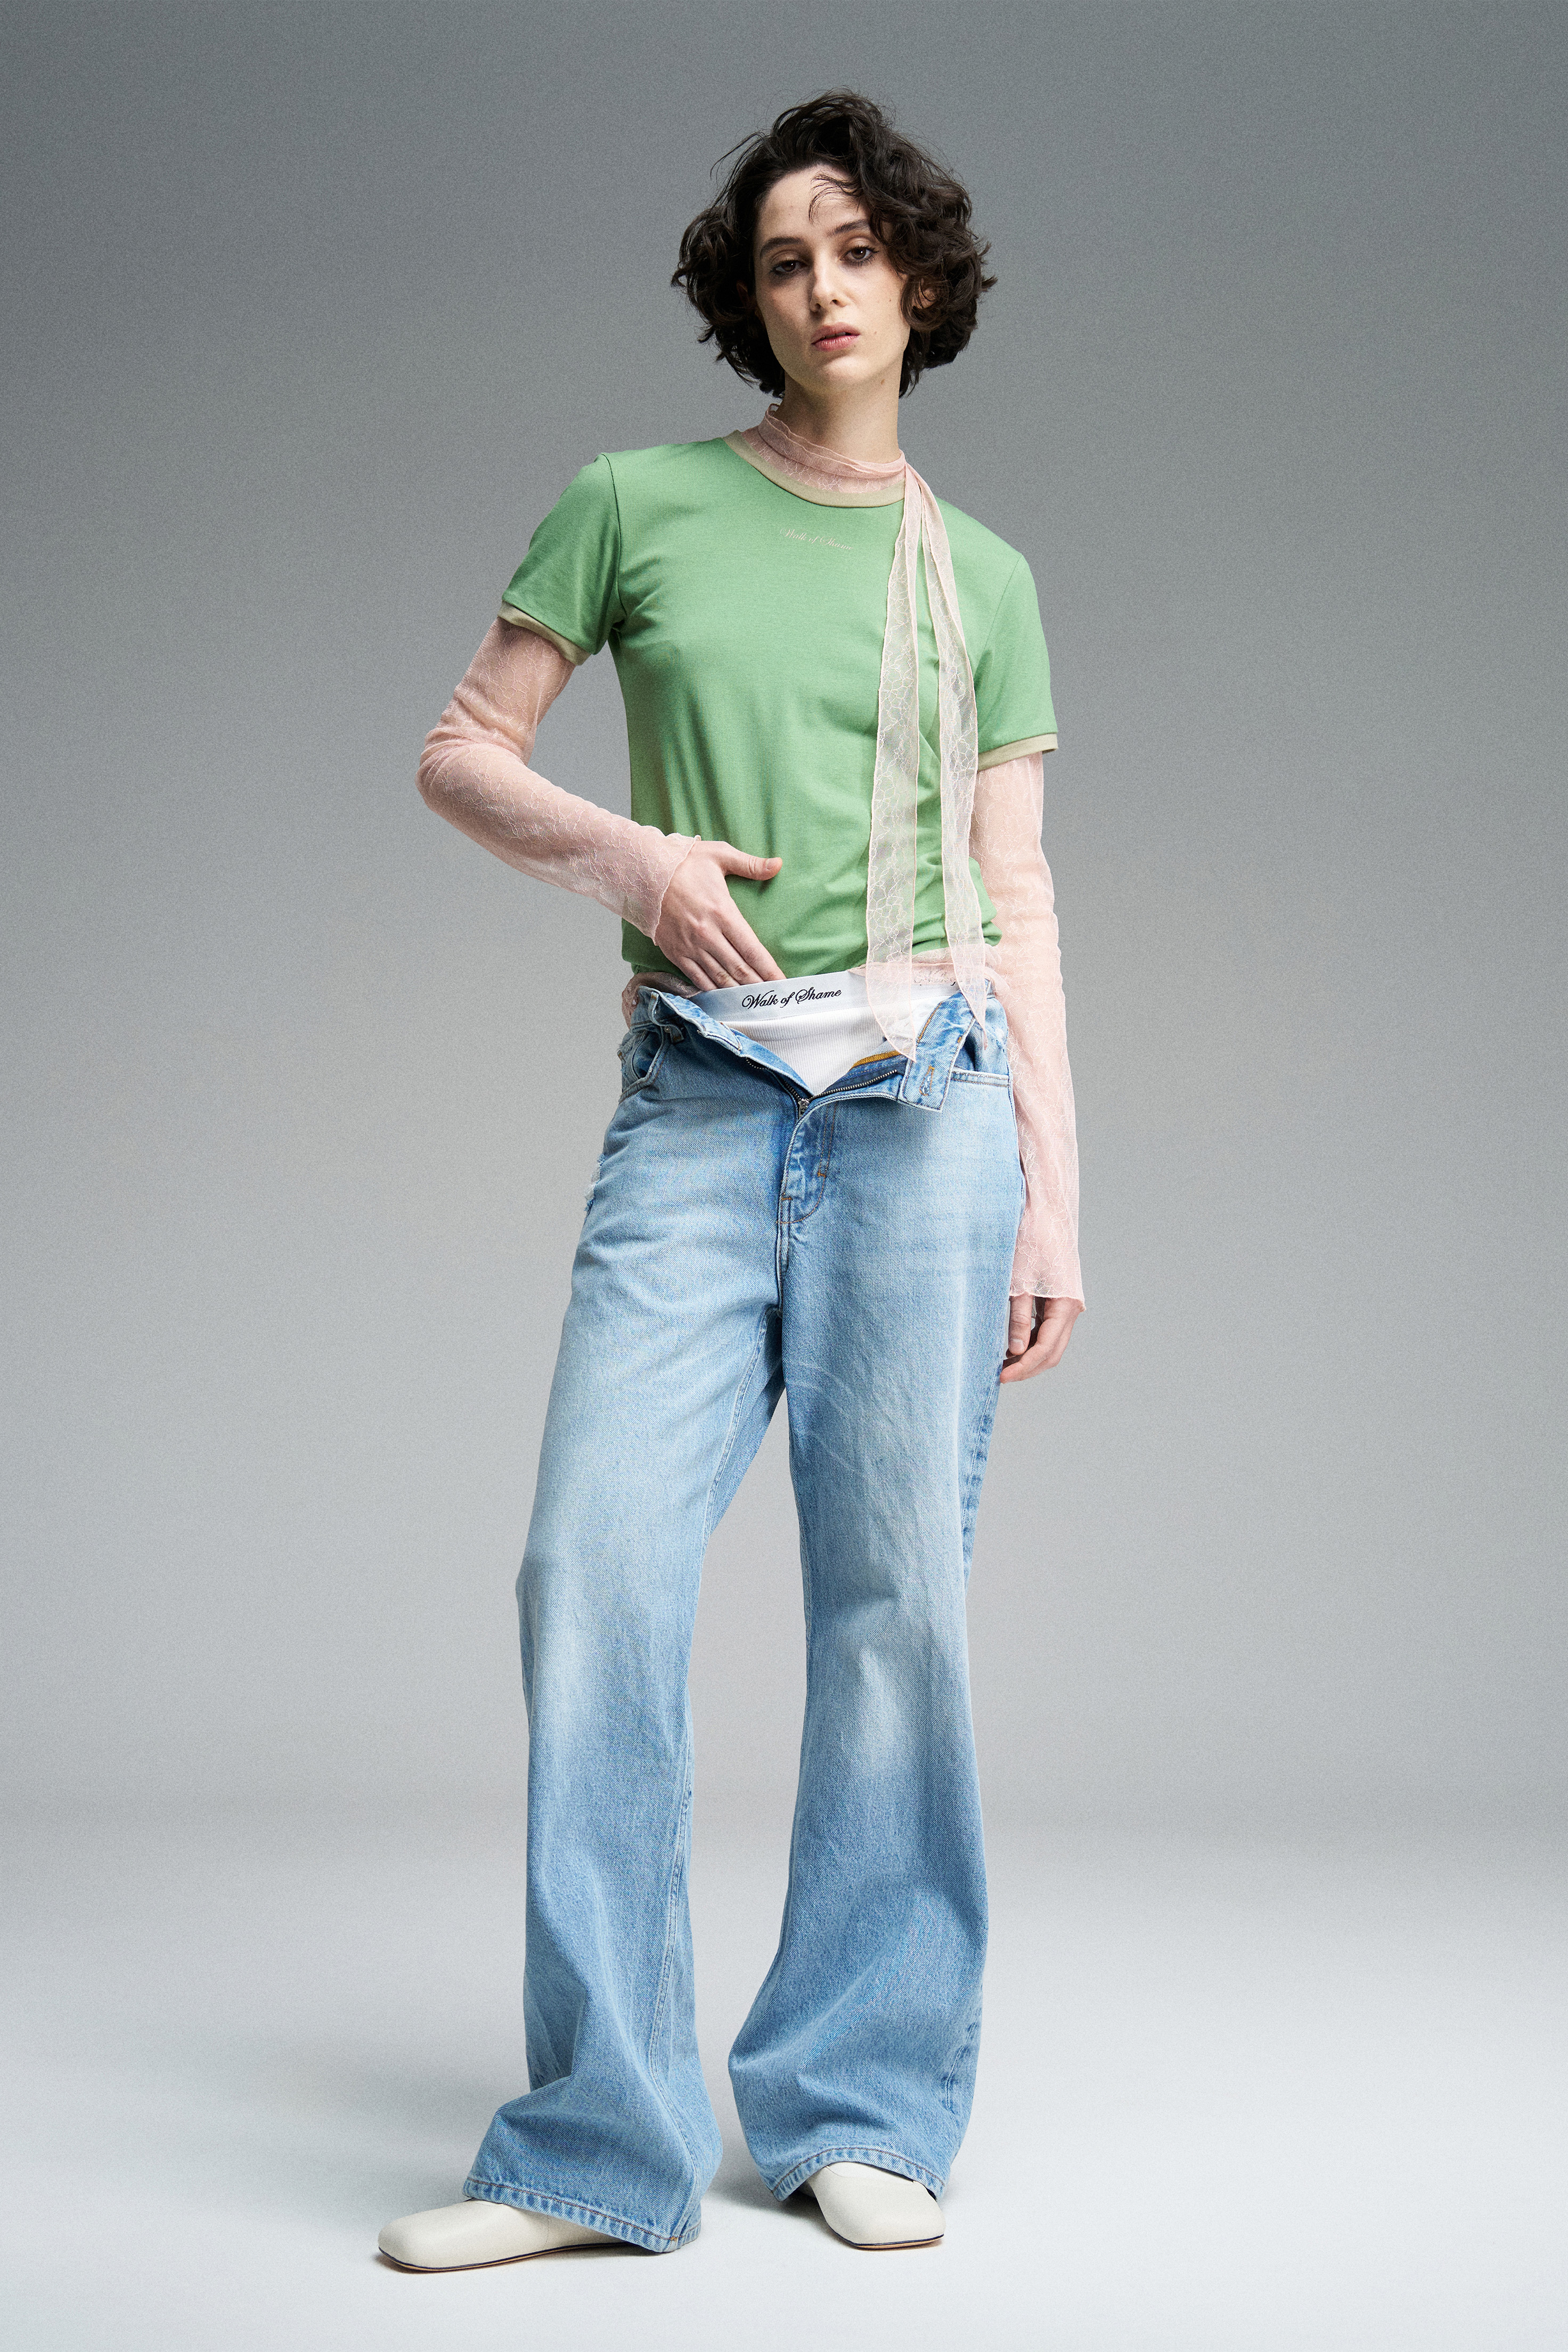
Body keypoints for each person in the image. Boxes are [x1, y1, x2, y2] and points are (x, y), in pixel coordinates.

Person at [378, 89, 1082, 2271]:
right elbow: (460, 752)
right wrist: (635, 863)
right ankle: (598, 2142)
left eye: (859, 250)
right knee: (588, 1575)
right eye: (785, 259)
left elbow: (1016, 895)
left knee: (895, 1615)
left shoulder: (981, 576)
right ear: (745, 300)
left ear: (924, 284)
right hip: (697, 1103)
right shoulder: (635, 504)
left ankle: (860, 2098)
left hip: (926, 1117)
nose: (825, 288)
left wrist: (1057, 1196)